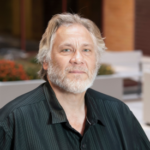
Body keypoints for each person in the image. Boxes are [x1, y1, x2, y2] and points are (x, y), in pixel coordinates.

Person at [0, 13, 150, 150]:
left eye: (86, 50)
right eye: (66, 50)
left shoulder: (119, 112)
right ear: (45, 61)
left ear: (96, 61)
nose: (78, 59)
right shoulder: (11, 121)